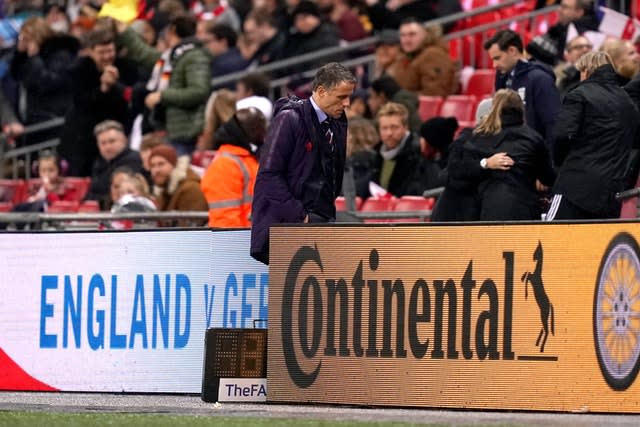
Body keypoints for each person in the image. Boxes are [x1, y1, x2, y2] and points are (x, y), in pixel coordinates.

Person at [250, 62, 356, 264]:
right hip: (290, 227)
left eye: (349, 96)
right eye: (341, 97)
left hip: (320, 223)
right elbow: (268, 176)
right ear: (322, 91)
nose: (347, 103)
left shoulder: (337, 122)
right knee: (292, 294)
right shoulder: (289, 119)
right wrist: (301, 217)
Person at [433, 89, 555, 221]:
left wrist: (484, 164)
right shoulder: (533, 138)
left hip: (475, 214)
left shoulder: (475, 138)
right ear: (522, 110)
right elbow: (548, 177)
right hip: (521, 212)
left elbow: (452, 170)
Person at [547, 51, 640, 220]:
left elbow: (562, 135)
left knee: (554, 241)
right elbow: (634, 141)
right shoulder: (627, 102)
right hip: (610, 192)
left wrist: (560, 164)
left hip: (573, 186)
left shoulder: (579, 94)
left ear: (587, 71)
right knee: (596, 245)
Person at [116, 15, 212, 156]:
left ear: (172, 30)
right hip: (173, 130)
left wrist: (162, 95)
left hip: (187, 133)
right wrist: (125, 32)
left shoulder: (194, 56)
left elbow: (199, 91)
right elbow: (145, 54)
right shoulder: (172, 57)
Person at [484, 30, 560, 151]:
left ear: (512, 51)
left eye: (497, 58)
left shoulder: (540, 79)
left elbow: (552, 123)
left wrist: (550, 161)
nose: (494, 65)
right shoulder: (502, 77)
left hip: (534, 157)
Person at [201, 107, 267, 228]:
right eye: (261, 126)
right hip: (239, 241)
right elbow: (225, 219)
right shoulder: (225, 165)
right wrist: (236, 244)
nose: (265, 131)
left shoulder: (248, 159)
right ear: (251, 130)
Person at [368, 102, 431, 197]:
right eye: (384, 128)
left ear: (405, 127)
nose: (389, 133)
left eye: (394, 127)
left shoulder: (418, 154)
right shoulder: (374, 154)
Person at [85, 120, 144, 209]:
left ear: (124, 140)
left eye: (112, 141)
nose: (107, 147)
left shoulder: (133, 160)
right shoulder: (98, 162)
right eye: (103, 143)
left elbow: (105, 189)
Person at [149, 143, 208, 213]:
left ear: (174, 164)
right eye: (152, 166)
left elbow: (192, 222)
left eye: (161, 164)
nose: (156, 170)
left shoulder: (191, 189)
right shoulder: (166, 190)